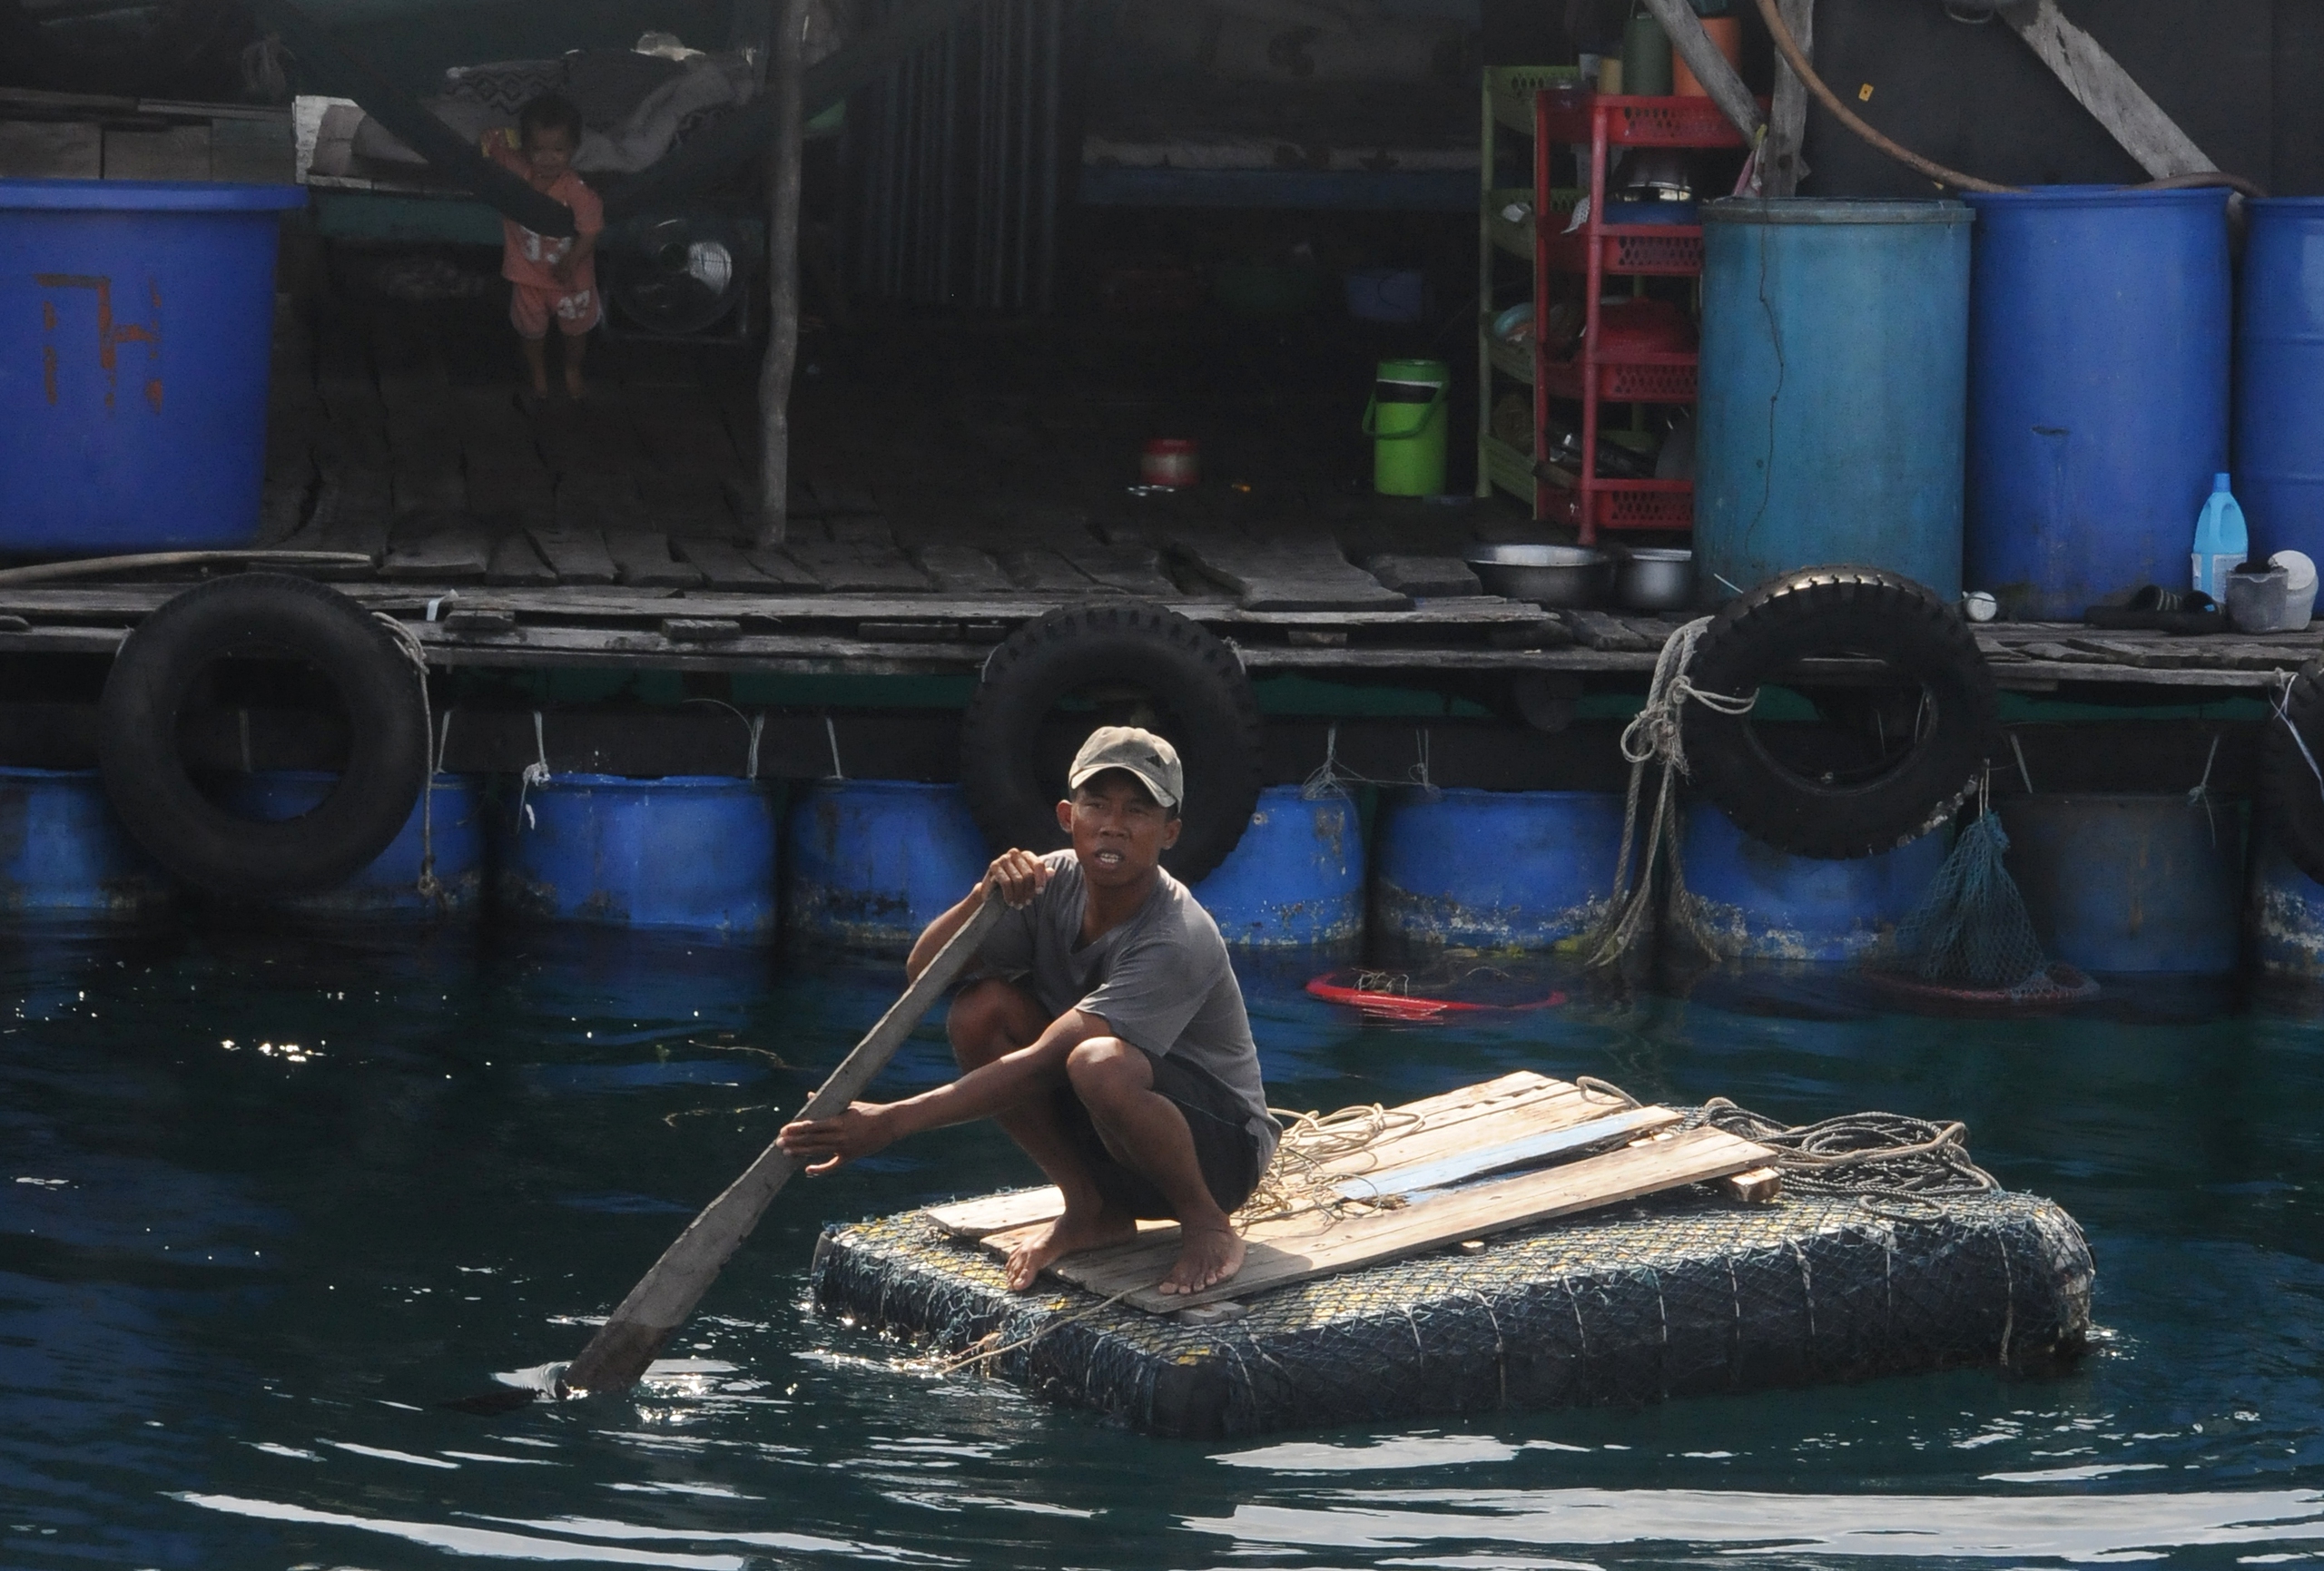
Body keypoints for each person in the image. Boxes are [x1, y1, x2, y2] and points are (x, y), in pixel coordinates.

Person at [776, 727, 1275, 1297]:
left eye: (1139, 810)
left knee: (1098, 1062)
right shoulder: (1050, 882)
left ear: (1170, 833)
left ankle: (1206, 1224)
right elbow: (924, 974)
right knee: (979, 1012)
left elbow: (1049, 1061)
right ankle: (1091, 1208)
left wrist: (891, 1122)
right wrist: (982, 897)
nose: (1113, 824)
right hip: (1114, 1141)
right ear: (1068, 816)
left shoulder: (1176, 933)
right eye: (1097, 804)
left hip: (1223, 1154)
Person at [483, 93, 602, 404]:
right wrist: (493, 139)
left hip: (571, 281)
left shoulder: (578, 192)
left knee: (576, 333)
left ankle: (572, 370)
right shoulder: (515, 172)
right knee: (530, 333)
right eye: (539, 150)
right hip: (527, 277)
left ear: (573, 150)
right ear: (526, 149)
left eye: (558, 150)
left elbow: (590, 232)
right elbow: (490, 148)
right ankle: (538, 373)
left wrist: (571, 261)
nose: (548, 158)